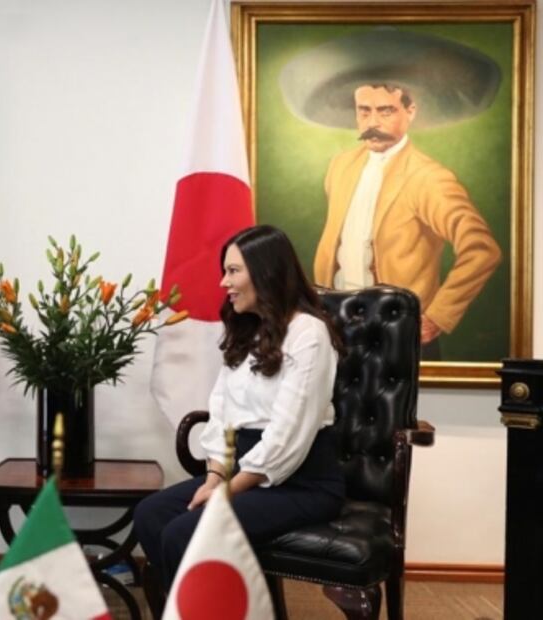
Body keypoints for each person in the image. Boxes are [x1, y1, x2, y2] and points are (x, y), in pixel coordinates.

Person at [134, 225, 345, 591]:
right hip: (242, 474)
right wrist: (214, 479)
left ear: (265, 272)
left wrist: (227, 491)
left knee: (184, 533)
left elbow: (287, 437)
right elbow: (222, 415)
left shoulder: (309, 334)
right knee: (150, 514)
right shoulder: (249, 330)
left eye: (233, 271)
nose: (223, 282)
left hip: (301, 483)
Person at [313, 83, 501, 358]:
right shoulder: (340, 166)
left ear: (410, 111)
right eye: (364, 111)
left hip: (399, 337)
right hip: (338, 332)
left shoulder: (428, 177)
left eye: (385, 111)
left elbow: (482, 249)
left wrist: (437, 316)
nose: (372, 122)